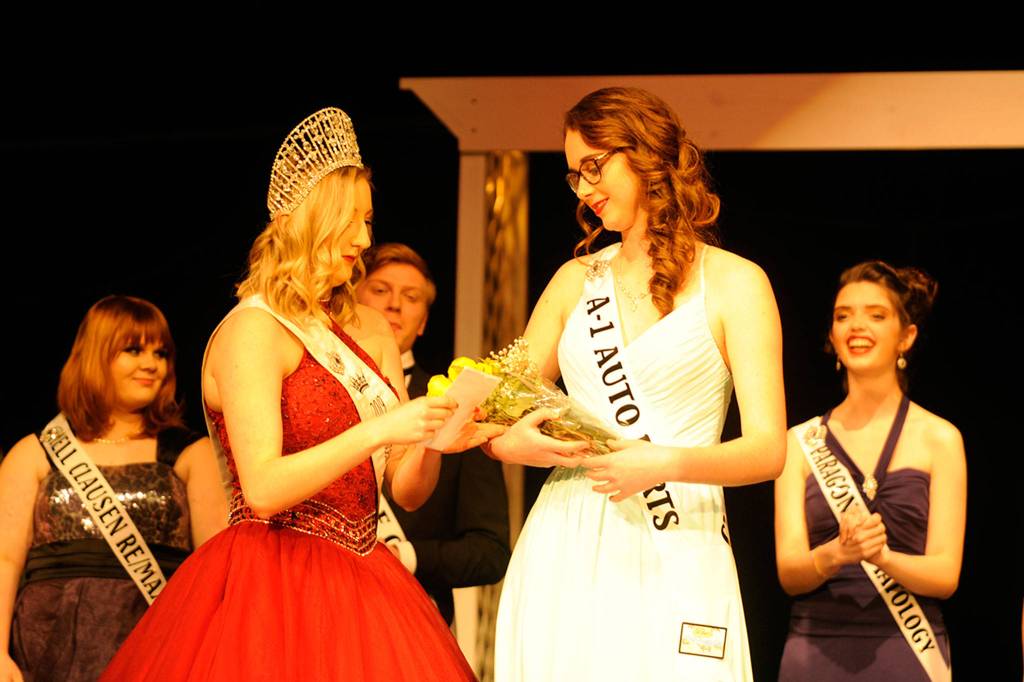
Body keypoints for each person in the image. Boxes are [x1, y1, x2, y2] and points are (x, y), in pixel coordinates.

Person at [101, 107, 497, 681]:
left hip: (369, 578)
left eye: (369, 220)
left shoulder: (372, 329)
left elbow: (407, 493)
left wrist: (435, 437)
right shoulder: (255, 329)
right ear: (309, 219)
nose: (364, 239)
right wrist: (380, 429)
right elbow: (262, 489)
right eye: (351, 220)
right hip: (272, 576)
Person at [488, 87, 786, 681]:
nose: (583, 189)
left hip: (677, 534)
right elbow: (494, 411)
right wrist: (508, 445)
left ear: (646, 153)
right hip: (568, 536)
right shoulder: (574, 281)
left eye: (594, 167)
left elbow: (767, 450)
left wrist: (662, 462)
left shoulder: (736, 283)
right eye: (574, 175)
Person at [0, 295, 227, 682]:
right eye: (134, 350)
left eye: (161, 353)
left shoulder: (191, 454)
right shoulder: (35, 453)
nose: (151, 364)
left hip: (156, 645)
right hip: (45, 647)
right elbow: (5, 559)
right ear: (95, 355)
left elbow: (215, 569)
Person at [775, 261, 964, 680]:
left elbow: (945, 574)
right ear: (832, 335)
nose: (856, 326)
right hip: (814, 652)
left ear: (906, 336)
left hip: (910, 654)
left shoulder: (941, 438)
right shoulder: (799, 442)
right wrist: (836, 554)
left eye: (876, 315)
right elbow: (789, 573)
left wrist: (883, 557)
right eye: (843, 316)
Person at [356, 242, 510, 625]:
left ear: (424, 321)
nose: (394, 305)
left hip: (412, 617)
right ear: (352, 300)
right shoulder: (316, 390)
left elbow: (490, 552)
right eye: (380, 290)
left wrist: (406, 556)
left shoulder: (457, 405)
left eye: (411, 297)